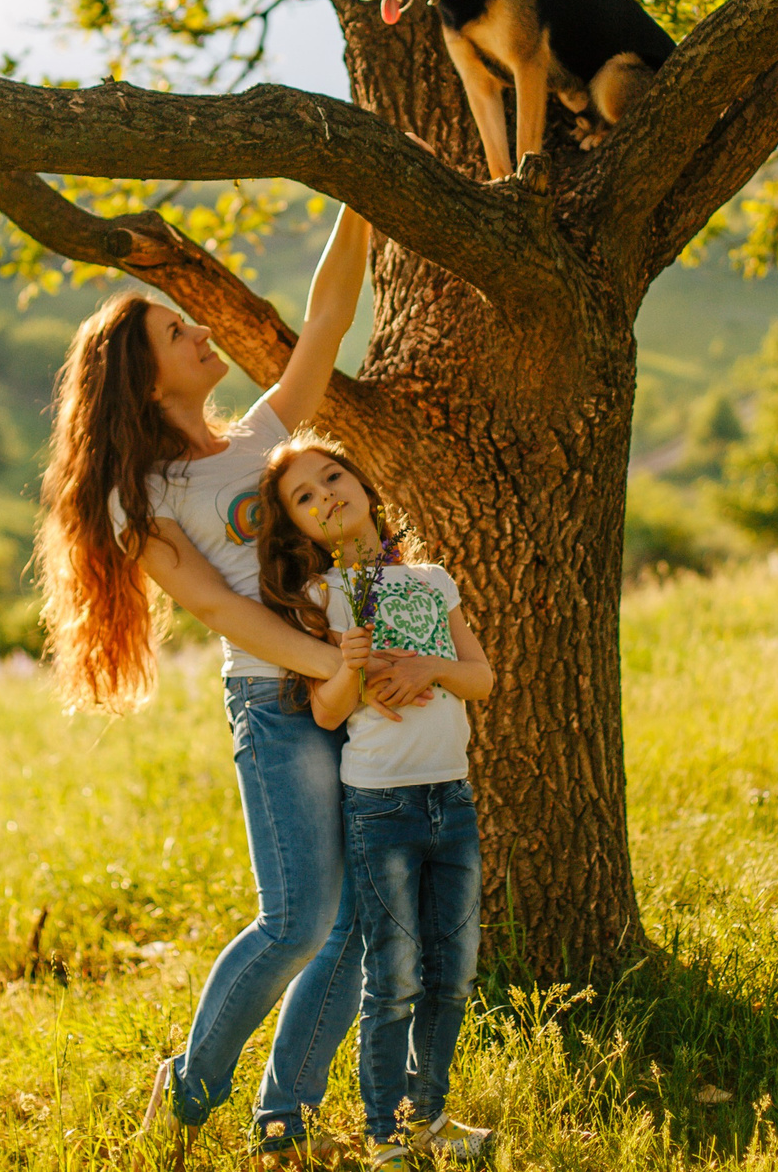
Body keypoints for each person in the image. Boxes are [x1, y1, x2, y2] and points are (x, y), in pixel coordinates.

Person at [33, 206, 381, 1167]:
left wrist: (357, 199)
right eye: (178, 332)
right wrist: (330, 666)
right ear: (145, 377)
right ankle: (187, 1092)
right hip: (279, 709)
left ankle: (285, 1118)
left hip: (346, 692)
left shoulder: (261, 436)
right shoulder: (137, 495)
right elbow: (216, 608)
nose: (203, 330)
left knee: (356, 925)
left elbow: (327, 320)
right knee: (298, 919)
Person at [255, 436, 496, 1169]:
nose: (326, 493)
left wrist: (429, 666)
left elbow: (480, 677)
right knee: (392, 974)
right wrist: (354, 667)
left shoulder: (431, 576)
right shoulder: (324, 596)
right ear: (300, 529)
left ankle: (428, 1116)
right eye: (305, 496)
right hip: (380, 804)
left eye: (333, 476)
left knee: (452, 969)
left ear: (363, 483)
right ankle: (384, 1131)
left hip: (450, 798)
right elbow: (328, 713)